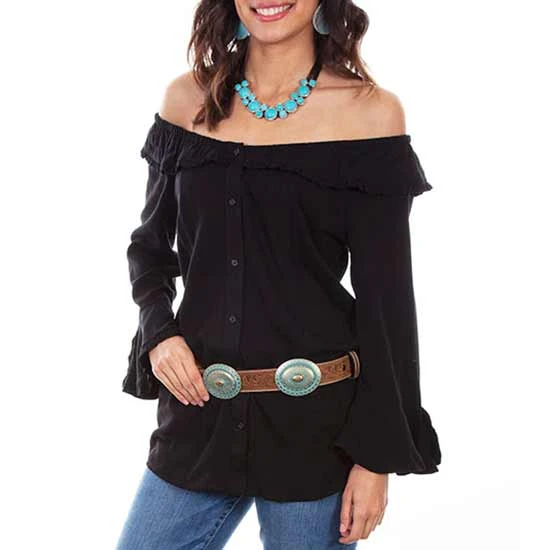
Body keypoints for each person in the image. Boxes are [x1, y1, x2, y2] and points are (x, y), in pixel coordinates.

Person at [116, 1, 442, 548]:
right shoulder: (185, 101)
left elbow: (386, 303)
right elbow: (149, 247)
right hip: (198, 417)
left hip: (316, 432)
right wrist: (159, 333)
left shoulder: (370, 113)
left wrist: (375, 459)